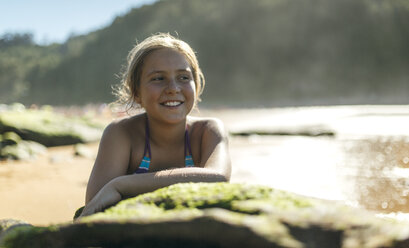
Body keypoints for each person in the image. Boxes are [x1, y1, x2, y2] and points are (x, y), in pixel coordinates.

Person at [79, 33, 231, 217]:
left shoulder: (208, 131)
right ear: (137, 93)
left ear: (196, 86)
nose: (173, 88)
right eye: (158, 78)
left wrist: (120, 185)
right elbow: (95, 206)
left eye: (183, 77)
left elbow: (218, 177)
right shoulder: (122, 134)